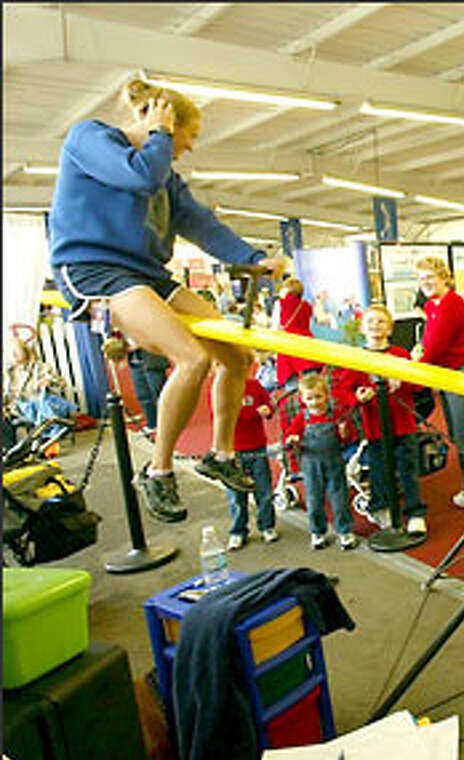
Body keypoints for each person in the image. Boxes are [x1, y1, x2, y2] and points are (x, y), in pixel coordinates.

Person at [47, 77, 286, 523]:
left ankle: (222, 452)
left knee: (237, 357)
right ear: (162, 121)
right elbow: (137, 176)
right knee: (191, 359)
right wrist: (158, 134)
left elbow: (202, 225)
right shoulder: (91, 138)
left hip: (147, 273)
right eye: (188, 135)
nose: (189, 147)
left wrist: (254, 258)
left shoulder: (167, 179)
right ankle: (157, 472)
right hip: (94, 269)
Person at [332, 304, 427, 537]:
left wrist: (403, 380)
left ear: (390, 328)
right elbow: (342, 390)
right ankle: (381, 508)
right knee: (379, 470)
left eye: (381, 321)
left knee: (408, 469)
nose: (376, 326)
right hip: (375, 427)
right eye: (371, 321)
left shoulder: (400, 355)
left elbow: (419, 384)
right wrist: (357, 396)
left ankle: (415, 513)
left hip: (403, 424)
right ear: (363, 328)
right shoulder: (358, 358)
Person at [414, 257, 464, 508]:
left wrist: (415, 373)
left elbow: (438, 346)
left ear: (444, 277)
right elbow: (430, 343)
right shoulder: (432, 305)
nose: (425, 282)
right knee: (460, 434)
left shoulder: (452, 303)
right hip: (449, 374)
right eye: (421, 278)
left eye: (430, 277)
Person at [284, 373, 357, 550]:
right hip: (311, 463)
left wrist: (343, 431)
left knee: (339, 497)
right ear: (303, 399)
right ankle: (317, 531)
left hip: (334, 461)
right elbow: (289, 436)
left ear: (326, 395)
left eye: (318, 396)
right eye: (309, 398)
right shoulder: (303, 418)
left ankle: (344, 531)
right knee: (314, 498)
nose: (315, 402)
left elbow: (347, 439)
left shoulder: (335, 414)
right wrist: (292, 439)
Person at [225, 364, 278, 551]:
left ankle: (267, 526)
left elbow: (269, 404)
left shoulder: (255, 385)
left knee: (264, 491)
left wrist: (267, 410)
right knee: (236, 496)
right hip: (234, 450)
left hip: (257, 447)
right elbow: (225, 415)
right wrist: (255, 412)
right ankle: (238, 531)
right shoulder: (221, 387)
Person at [4, 335, 77, 444]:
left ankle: (48, 437)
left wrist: (49, 381)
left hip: (40, 403)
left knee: (47, 405)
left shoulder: (40, 367)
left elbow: (61, 383)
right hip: (19, 408)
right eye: (11, 352)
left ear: (25, 351)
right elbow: (5, 394)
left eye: (17, 351)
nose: (14, 354)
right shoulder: (9, 374)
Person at [273, 276, 323, 390]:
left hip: (287, 344)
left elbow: (275, 327)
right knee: (311, 384)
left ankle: (295, 405)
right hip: (307, 344)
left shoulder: (280, 303)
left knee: (291, 384)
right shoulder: (306, 305)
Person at [127, 336, 170, 438]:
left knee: (159, 393)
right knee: (142, 395)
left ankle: (168, 423)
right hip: (135, 361)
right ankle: (152, 424)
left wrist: (139, 343)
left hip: (152, 360)